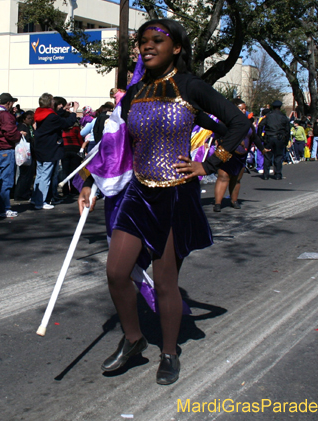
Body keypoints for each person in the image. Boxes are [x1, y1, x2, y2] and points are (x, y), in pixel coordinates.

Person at [78, 19, 250, 385]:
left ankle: (169, 352)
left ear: (177, 48)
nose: (147, 46)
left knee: (166, 282)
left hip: (175, 194)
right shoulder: (136, 92)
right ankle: (134, 339)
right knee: (115, 272)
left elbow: (237, 124)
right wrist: (89, 181)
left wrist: (210, 162)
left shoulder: (190, 86)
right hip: (138, 194)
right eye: (142, 41)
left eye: (157, 40)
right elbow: (115, 145)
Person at [213, 99, 264, 211]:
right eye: (241, 108)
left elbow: (254, 137)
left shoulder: (248, 124)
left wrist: (263, 149)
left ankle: (234, 200)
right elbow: (217, 134)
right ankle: (217, 203)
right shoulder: (226, 122)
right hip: (228, 153)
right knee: (223, 177)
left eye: (245, 109)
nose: (244, 111)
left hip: (242, 154)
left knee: (236, 178)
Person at [32, 94, 79, 209]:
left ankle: (36, 198)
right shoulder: (52, 117)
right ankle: (41, 202)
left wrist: (63, 110)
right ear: (50, 103)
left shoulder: (40, 113)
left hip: (40, 147)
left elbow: (54, 116)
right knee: (46, 176)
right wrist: (74, 112)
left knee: (40, 174)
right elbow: (67, 123)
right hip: (50, 148)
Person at [0, 93, 22, 218]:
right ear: (8, 103)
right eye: (11, 103)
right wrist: (20, 135)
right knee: (6, 181)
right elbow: (11, 133)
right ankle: (4, 208)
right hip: (6, 149)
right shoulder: (6, 116)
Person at [258, 101, 289, 179]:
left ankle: (266, 175)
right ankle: (278, 174)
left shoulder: (268, 116)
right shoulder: (283, 116)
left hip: (269, 138)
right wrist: (286, 140)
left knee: (267, 157)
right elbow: (287, 129)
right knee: (278, 157)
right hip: (279, 138)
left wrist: (260, 137)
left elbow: (260, 125)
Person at [14, 111, 36, 201]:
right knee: (24, 175)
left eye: (32, 118)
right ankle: (20, 193)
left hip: (31, 153)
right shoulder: (22, 127)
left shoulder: (30, 127)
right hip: (25, 153)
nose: (31, 120)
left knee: (29, 175)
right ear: (24, 119)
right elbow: (27, 139)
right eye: (29, 118)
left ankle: (25, 192)